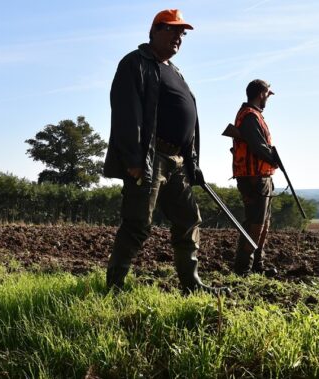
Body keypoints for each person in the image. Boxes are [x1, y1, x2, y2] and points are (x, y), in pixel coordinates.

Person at [103, 9, 226, 295]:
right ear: (156, 30)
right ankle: (114, 288)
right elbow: (125, 112)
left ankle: (191, 284)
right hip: (150, 157)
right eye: (172, 30)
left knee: (188, 220)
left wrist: (191, 161)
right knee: (137, 224)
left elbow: (188, 120)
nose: (178, 38)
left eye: (182, 34)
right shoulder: (136, 63)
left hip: (178, 162)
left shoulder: (174, 70)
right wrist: (134, 159)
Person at [226, 79, 280, 276]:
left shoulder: (253, 115)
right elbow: (258, 147)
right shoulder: (250, 117)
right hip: (254, 177)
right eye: (267, 94)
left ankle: (257, 266)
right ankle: (244, 269)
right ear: (262, 94)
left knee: (263, 224)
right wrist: (274, 159)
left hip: (260, 176)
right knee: (255, 224)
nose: (268, 98)